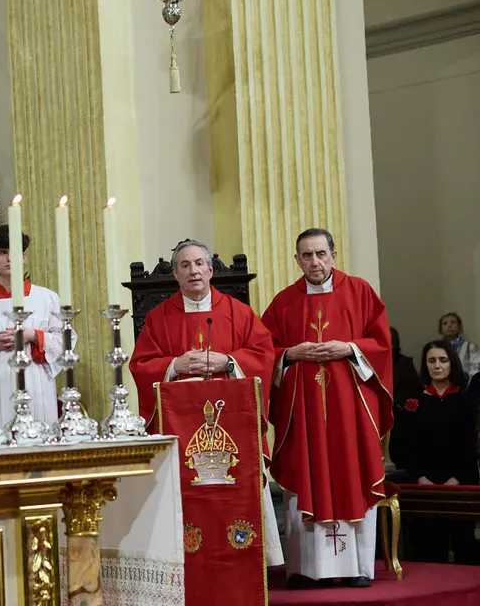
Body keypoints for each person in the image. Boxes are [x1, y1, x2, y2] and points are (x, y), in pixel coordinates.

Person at [129, 239, 283, 566]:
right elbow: (140, 365)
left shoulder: (238, 313)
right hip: (181, 427)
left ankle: (245, 555)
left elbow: (263, 356)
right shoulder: (159, 317)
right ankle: (185, 557)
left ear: (211, 270)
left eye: (199, 264)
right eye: (185, 265)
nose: (194, 271)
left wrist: (227, 361)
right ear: (175, 274)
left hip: (232, 426)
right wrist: (175, 365)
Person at [262, 228, 393, 589]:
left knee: (349, 469)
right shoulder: (284, 302)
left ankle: (355, 568)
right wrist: (289, 354)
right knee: (307, 469)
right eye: (306, 256)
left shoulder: (359, 291)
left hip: (348, 410)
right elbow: (263, 352)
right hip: (302, 414)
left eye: (321, 254)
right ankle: (305, 569)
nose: (314, 262)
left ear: (334, 255)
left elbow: (381, 344)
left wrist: (349, 348)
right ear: (297, 260)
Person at [0, 226, 74, 429]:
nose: (9, 258)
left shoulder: (47, 298)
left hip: (37, 386)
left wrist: (33, 335)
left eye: (15, 252)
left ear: (24, 258)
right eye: (2, 252)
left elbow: (66, 343)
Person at [390, 340, 480, 564]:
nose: (437, 366)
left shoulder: (466, 401)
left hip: (461, 484)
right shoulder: (414, 401)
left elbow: (471, 445)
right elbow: (404, 445)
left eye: (443, 360)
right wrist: (419, 476)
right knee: (427, 551)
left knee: (465, 550)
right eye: (431, 360)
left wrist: (457, 477)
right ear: (425, 365)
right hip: (423, 484)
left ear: (452, 363)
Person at [438, 313, 480, 379]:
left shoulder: (470, 347)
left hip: (466, 384)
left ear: (459, 326)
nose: (449, 325)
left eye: (453, 322)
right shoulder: (436, 348)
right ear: (441, 329)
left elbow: (476, 369)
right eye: (445, 323)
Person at [390, 328, 421, 406]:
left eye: (391, 340)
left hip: (402, 411)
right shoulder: (370, 364)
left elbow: (416, 390)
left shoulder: (406, 363)